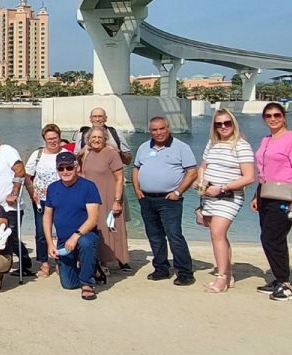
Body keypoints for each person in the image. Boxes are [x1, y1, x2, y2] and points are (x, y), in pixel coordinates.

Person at [251, 101, 292, 301]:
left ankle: (285, 284)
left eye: (277, 115)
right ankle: (277, 279)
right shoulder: (266, 140)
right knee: (268, 237)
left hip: (284, 195)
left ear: (284, 116)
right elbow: (264, 172)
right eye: (268, 116)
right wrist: (256, 196)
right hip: (265, 193)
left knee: (272, 238)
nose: (273, 119)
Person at [132, 116, 198, 286]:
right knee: (154, 236)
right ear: (150, 131)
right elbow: (136, 168)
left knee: (174, 235)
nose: (158, 132)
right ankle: (161, 268)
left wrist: (178, 191)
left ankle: (185, 272)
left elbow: (192, 172)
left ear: (168, 128)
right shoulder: (143, 147)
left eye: (162, 128)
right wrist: (137, 189)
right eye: (154, 130)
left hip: (170, 200)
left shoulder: (181, 147)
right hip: (147, 199)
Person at [195, 110, 256, 294]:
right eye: (218, 124)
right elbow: (203, 167)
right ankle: (227, 275)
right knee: (218, 235)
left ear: (234, 124)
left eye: (227, 123)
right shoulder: (212, 144)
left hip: (229, 196)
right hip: (209, 195)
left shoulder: (241, 146)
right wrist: (201, 182)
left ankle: (221, 278)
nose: (223, 127)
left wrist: (222, 187)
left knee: (217, 232)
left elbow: (249, 177)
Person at [42, 151, 103, 300]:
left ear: (76, 167)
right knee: (68, 284)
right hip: (63, 240)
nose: (65, 172)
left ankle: (87, 283)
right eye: (61, 168)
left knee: (86, 242)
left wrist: (76, 236)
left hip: (84, 235)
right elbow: (47, 216)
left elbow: (93, 219)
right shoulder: (52, 188)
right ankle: (89, 268)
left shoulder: (89, 186)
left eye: (69, 168)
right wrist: (50, 243)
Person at [78, 127, 130, 272]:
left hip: (107, 196)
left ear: (105, 138)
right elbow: (80, 169)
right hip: (90, 198)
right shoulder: (87, 152)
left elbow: (119, 179)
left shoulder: (112, 153)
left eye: (99, 137)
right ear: (88, 139)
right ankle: (94, 260)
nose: (96, 140)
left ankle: (105, 263)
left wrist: (117, 201)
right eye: (93, 137)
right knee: (92, 227)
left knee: (106, 229)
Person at [0, 130, 30, 274]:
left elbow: (20, 170)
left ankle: (25, 262)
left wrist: (14, 192)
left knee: (11, 235)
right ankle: (3, 263)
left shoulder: (7, 150)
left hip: (10, 206)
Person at [24, 124, 65, 275]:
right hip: (41, 199)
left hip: (62, 199)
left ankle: (61, 261)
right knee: (41, 231)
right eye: (49, 139)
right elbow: (27, 175)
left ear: (59, 138)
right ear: (44, 140)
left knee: (62, 231)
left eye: (55, 138)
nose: (52, 141)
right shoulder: (37, 155)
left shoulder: (66, 153)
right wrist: (31, 192)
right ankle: (44, 262)